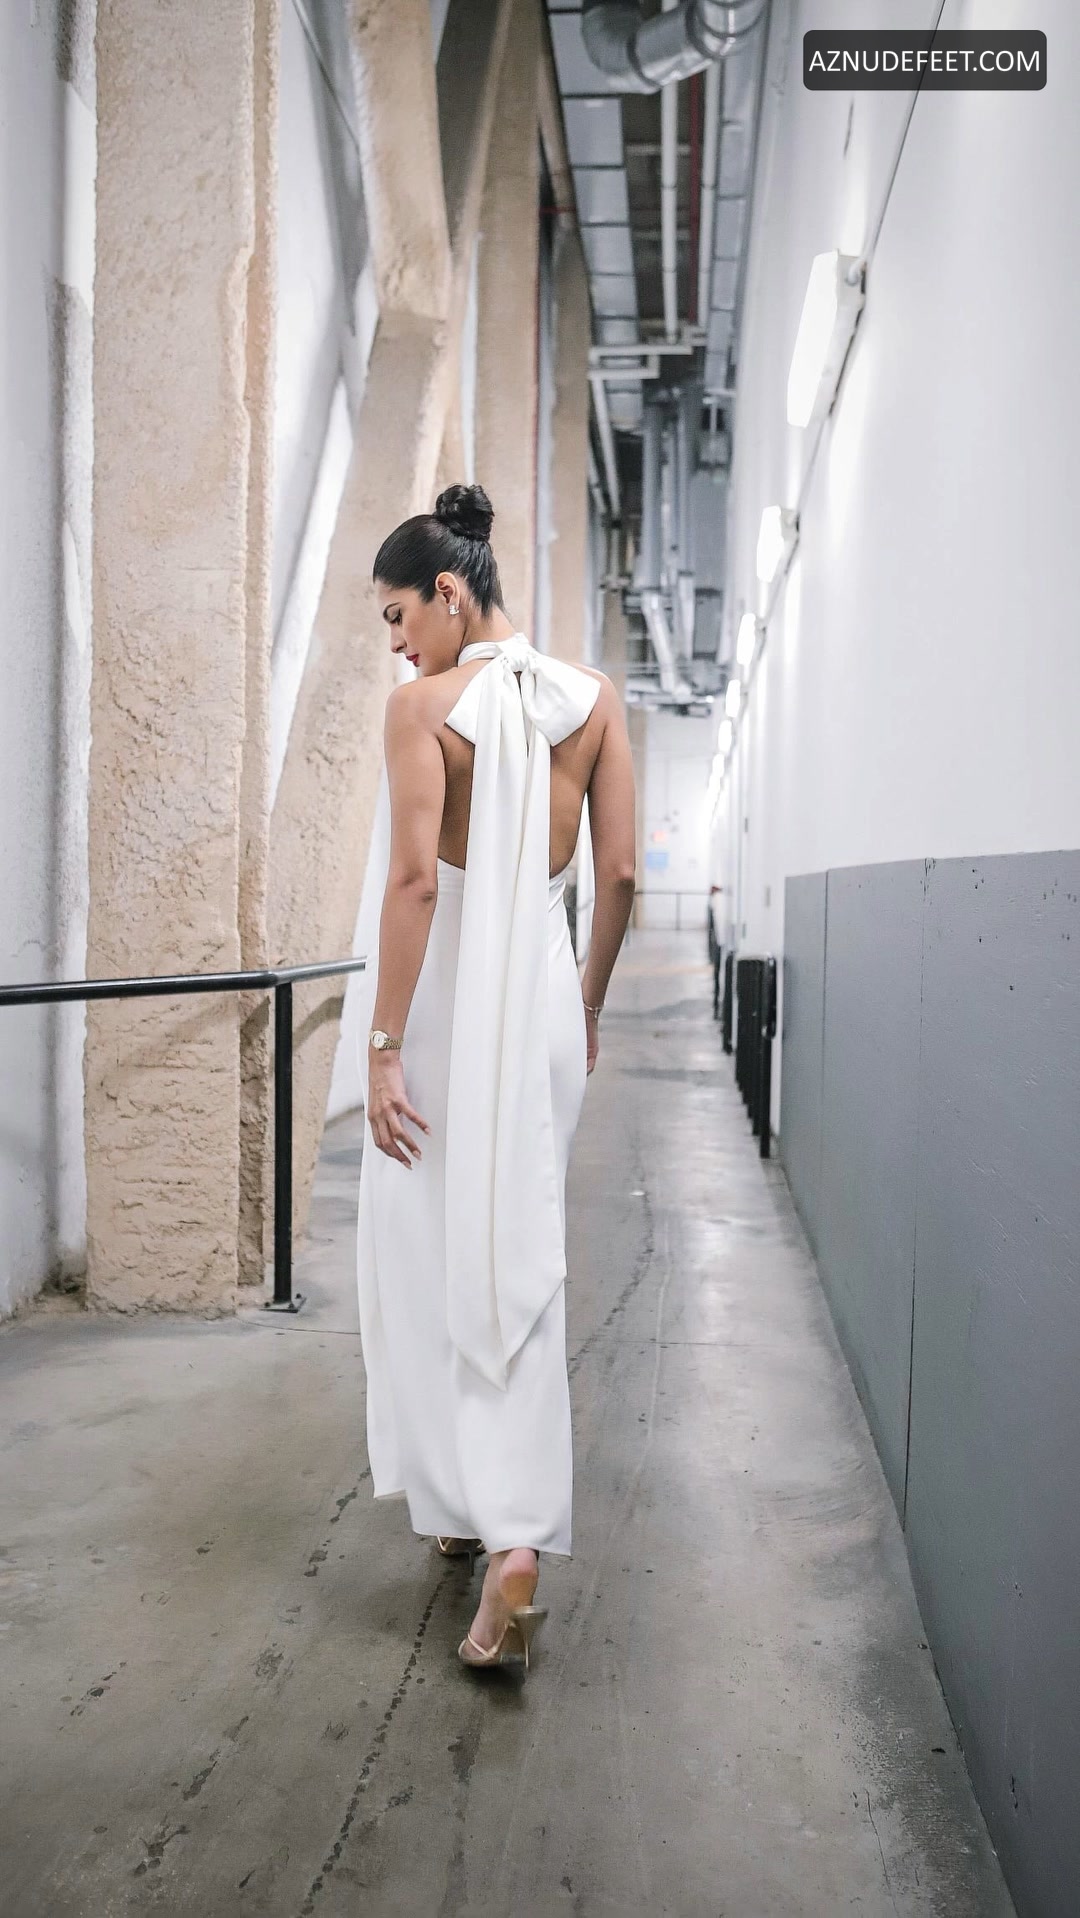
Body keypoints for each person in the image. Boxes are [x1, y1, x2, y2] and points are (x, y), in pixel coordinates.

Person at [354, 481, 636, 1675]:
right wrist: (585, 1000)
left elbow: (417, 884)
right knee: (518, 1244)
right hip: (544, 1004)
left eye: (398, 615)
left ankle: (490, 1522)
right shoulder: (597, 702)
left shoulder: (422, 709)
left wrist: (381, 1047)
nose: (397, 641)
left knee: (432, 1248)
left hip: (445, 1012)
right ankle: (494, 1519)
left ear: (449, 594)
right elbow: (619, 876)